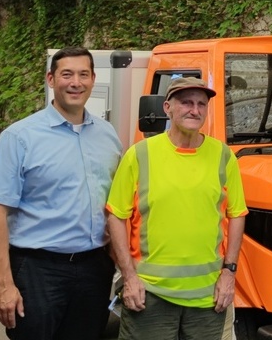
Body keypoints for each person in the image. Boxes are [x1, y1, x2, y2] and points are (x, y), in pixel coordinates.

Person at [106, 76, 248, 340]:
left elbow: (237, 214)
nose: (195, 110)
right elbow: (116, 216)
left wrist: (229, 273)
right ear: (167, 108)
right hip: (150, 295)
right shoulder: (139, 155)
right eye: (186, 103)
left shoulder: (223, 156)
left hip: (208, 298)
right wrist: (129, 277)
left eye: (201, 104)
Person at [0, 46, 122, 340]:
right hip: (37, 271)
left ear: (93, 79)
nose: (75, 83)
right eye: (67, 74)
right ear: (51, 79)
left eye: (83, 74)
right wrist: (3, 285)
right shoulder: (19, 137)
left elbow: (117, 205)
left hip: (94, 269)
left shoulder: (108, 135)